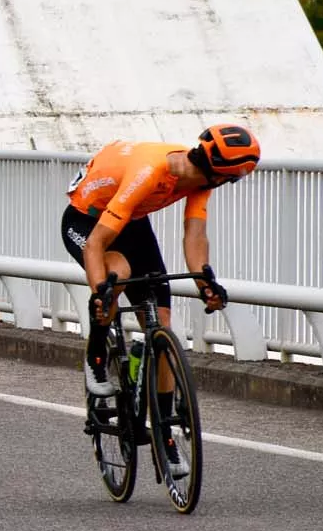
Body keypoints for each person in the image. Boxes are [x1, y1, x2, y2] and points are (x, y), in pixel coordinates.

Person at [61, 126, 257, 476]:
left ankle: (164, 435)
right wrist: (100, 296)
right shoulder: (149, 172)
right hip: (87, 220)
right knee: (116, 272)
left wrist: (204, 281)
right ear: (214, 170)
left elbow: (195, 234)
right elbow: (95, 245)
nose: (226, 185)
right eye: (228, 179)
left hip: (131, 220)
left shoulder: (202, 179)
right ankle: (96, 354)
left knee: (162, 323)